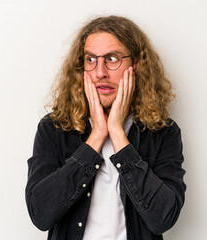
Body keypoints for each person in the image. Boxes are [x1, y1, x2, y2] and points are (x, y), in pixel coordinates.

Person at [25, 15, 186, 240]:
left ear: (137, 65)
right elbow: (40, 214)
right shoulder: (54, 128)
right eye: (91, 59)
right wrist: (97, 136)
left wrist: (118, 135)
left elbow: (163, 218)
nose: (100, 72)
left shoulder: (163, 132)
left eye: (112, 59)